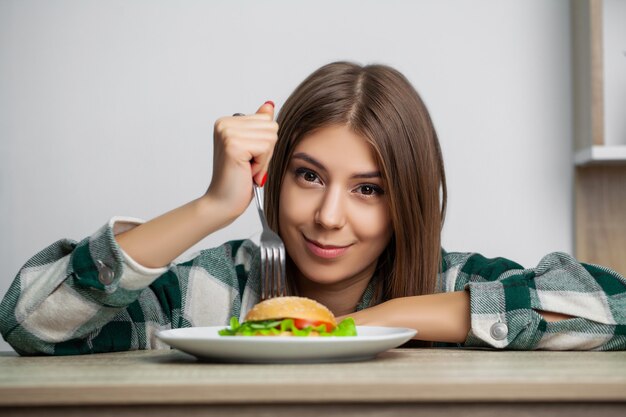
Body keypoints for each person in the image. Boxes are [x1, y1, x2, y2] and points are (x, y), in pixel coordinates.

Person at [1, 62, 624, 355]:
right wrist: (213, 205)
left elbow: (613, 307)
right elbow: (30, 322)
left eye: (368, 189)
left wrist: (398, 314)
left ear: (406, 202)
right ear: (274, 177)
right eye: (308, 176)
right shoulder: (227, 291)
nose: (329, 217)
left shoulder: (451, 283)